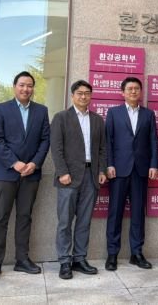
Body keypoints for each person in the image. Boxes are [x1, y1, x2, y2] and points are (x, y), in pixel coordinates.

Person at [0, 71, 50, 282]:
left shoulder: (41, 111)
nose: (26, 89)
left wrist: (34, 163)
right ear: (14, 87)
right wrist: (15, 163)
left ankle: (22, 259)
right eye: (22, 85)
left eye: (29, 85)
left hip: (31, 173)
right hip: (6, 173)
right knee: (0, 218)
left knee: (24, 217)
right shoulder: (1, 109)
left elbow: (45, 140)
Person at [51, 80, 107, 280]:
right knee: (65, 222)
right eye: (80, 93)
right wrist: (62, 172)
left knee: (84, 221)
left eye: (87, 93)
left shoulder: (97, 120)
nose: (84, 96)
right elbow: (56, 148)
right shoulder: (61, 118)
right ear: (72, 96)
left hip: (91, 177)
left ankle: (79, 258)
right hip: (68, 177)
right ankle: (64, 261)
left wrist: (101, 170)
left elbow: (102, 148)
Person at [105, 77, 158, 271]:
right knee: (115, 212)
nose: (133, 91)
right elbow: (108, 141)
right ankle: (112, 254)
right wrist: (109, 164)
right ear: (123, 92)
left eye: (137, 88)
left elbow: (153, 141)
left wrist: (154, 164)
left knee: (138, 213)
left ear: (140, 92)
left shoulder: (148, 114)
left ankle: (136, 253)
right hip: (118, 170)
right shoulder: (113, 113)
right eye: (129, 89)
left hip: (140, 170)